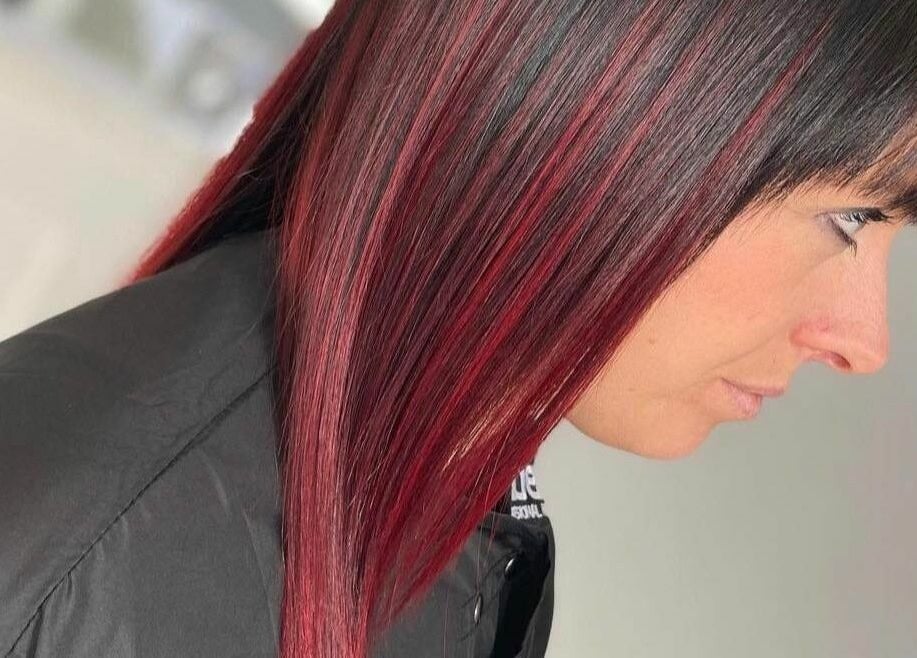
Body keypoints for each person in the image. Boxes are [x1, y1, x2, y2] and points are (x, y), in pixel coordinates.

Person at [1, 1, 915, 657]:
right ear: (599, 102)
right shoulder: (80, 572)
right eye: (849, 220)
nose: (863, 342)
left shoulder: (461, 515)